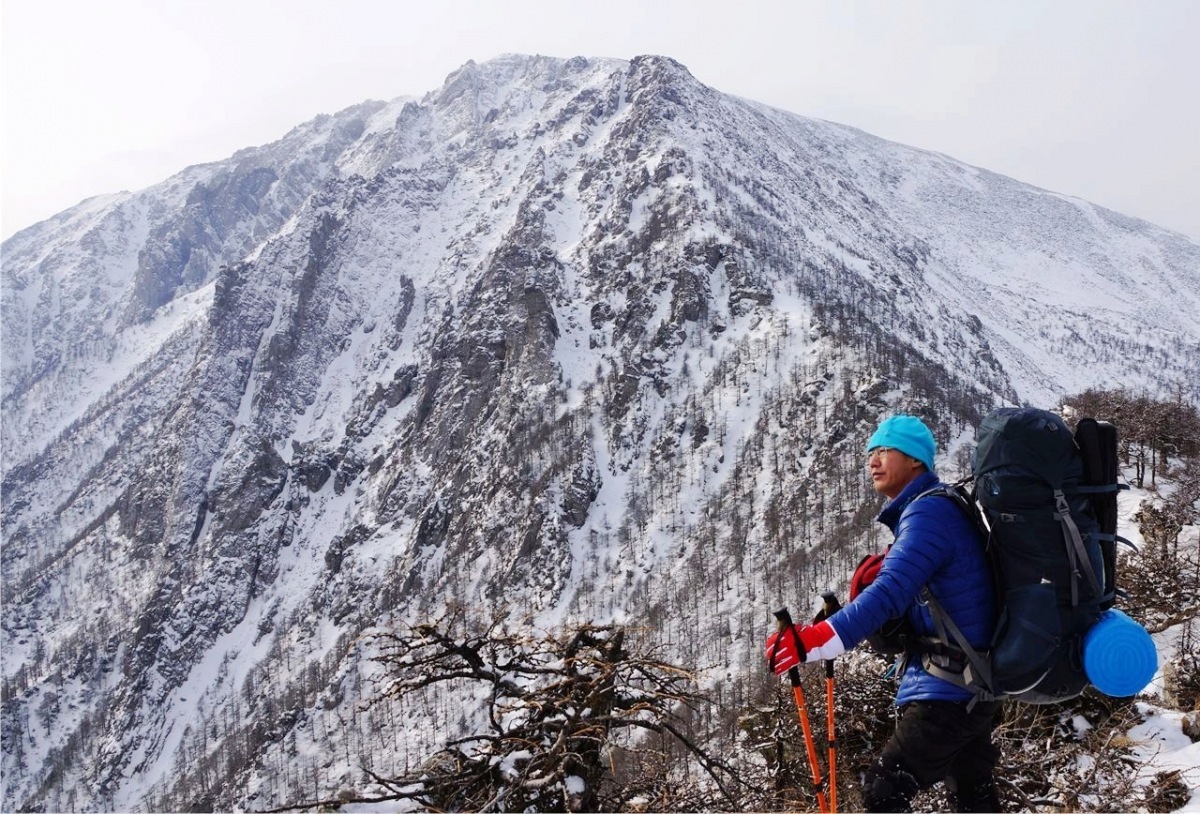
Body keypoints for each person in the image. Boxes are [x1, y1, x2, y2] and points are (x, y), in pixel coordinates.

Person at [764, 415, 1001, 812]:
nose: (873, 461)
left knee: (882, 790)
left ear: (915, 461)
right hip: (972, 686)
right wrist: (836, 622)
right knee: (973, 796)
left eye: (885, 450)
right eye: (870, 452)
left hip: (951, 692)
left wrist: (814, 641)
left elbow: (889, 593)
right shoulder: (937, 510)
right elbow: (907, 609)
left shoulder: (929, 515)